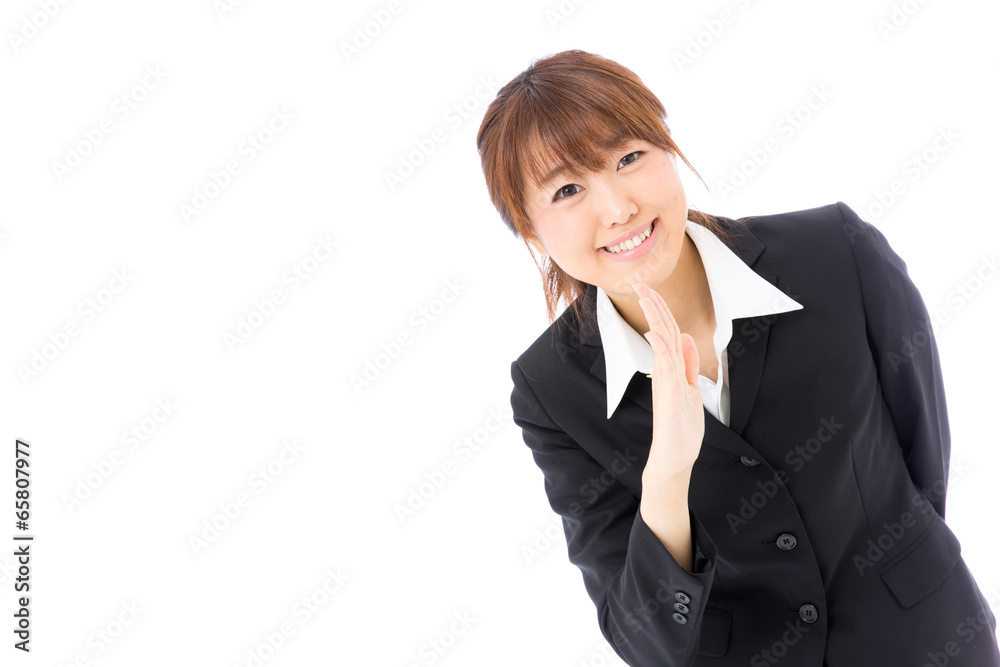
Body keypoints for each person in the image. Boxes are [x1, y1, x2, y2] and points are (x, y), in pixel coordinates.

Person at [476, 49, 1000, 666]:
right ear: (531, 233)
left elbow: (922, 457)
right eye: (567, 189)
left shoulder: (834, 254)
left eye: (629, 157)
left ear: (668, 149)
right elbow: (644, 640)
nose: (617, 209)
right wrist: (666, 478)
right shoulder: (551, 391)